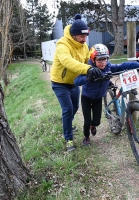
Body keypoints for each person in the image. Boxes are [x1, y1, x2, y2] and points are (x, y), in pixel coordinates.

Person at [74, 44, 139, 146]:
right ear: (93, 60)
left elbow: (123, 65)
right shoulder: (88, 69)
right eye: (99, 60)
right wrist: (87, 77)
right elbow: (76, 81)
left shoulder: (108, 67)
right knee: (87, 120)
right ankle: (86, 137)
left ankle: (93, 126)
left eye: (105, 59)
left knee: (97, 121)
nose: (103, 63)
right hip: (86, 97)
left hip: (98, 98)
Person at [50, 14, 103, 152]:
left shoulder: (84, 45)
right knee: (67, 110)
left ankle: (67, 123)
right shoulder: (62, 44)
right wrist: (88, 69)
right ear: (74, 35)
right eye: (82, 37)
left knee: (74, 108)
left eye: (86, 37)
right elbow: (66, 61)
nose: (84, 40)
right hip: (60, 83)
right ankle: (68, 139)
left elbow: (87, 60)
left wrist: (98, 68)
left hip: (74, 83)